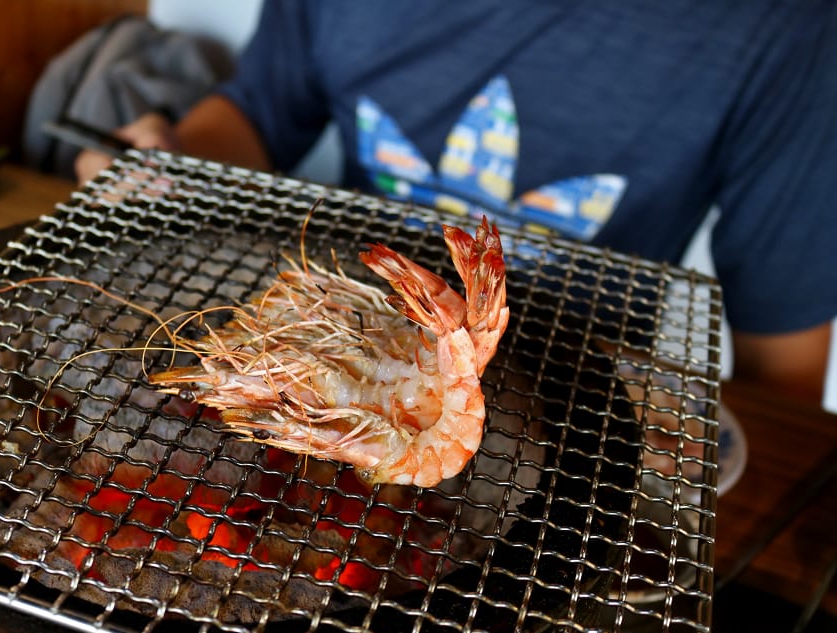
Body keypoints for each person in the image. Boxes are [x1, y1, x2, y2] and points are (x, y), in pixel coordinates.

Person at [75, 0, 837, 406]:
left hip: (577, 389)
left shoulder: (790, 25)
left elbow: (785, 365)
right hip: (347, 326)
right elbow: (259, 114)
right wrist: (176, 158)